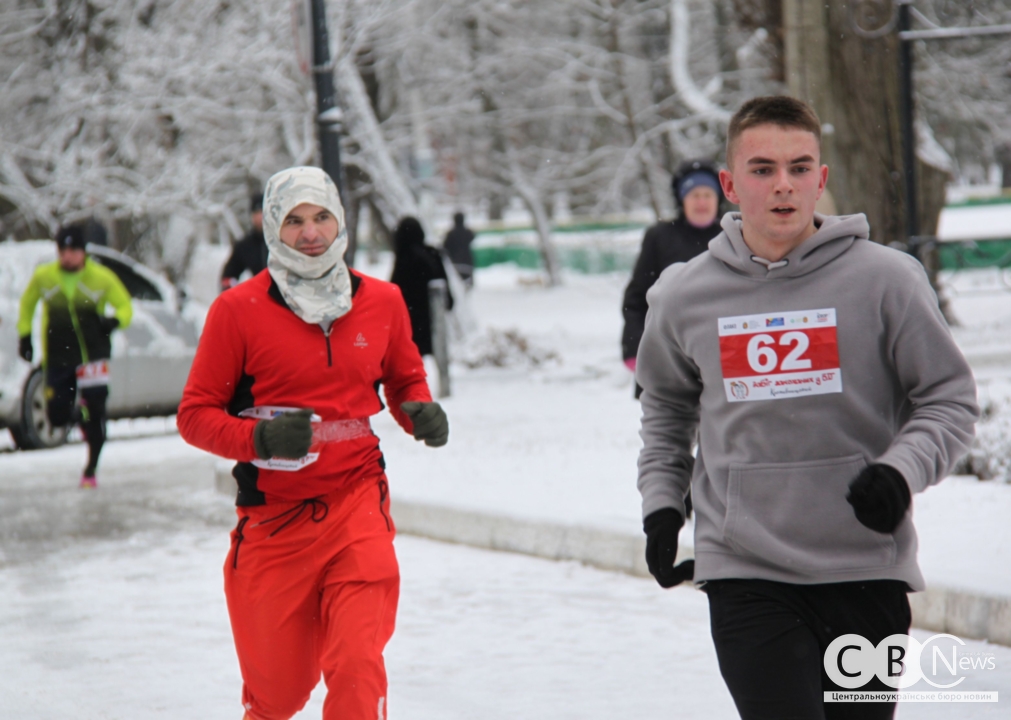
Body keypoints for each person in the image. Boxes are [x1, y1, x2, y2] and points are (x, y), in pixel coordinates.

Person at [635, 96, 978, 719]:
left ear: (821, 179)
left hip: (865, 569)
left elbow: (948, 400)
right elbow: (665, 408)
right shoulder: (684, 295)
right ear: (730, 184)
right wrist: (662, 506)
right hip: (746, 568)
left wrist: (900, 471)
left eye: (799, 167)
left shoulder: (887, 281)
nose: (783, 185)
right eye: (763, 169)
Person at [177, 166, 448, 720]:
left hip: (356, 503)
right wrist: (259, 438)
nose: (311, 233)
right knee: (277, 697)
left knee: (355, 663)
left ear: (340, 220)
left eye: (322, 216)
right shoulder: (236, 312)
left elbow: (402, 379)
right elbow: (194, 415)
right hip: (275, 523)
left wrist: (417, 411)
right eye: (295, 220)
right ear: (274, 227)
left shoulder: (384, 301)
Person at [17, 224, 133, 487]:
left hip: (92, 356)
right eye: (62, 250)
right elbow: (26, 304)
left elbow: (125, 306)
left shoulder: (100, 277)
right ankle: (78, 414)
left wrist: (115, 321)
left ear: (83, 251)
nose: (67, 255)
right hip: (59, 356)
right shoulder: (45, 277)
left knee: (98, 418)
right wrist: (25, 336)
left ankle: (90, 469)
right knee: (55, 415)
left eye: (73, 250)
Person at [621, 159, 723, 378]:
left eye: (708, 195)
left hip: (721, 354)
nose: (702, 202)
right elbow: (636, 298)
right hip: (665, 351)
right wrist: (634, 347)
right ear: (682, 199)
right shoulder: (660, 237)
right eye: (695, 195)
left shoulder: (731, 235)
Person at [390, 216, 453, 357]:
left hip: (411, 323)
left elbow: (393, 291)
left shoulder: (404, 258)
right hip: (433, 321)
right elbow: (446, 289)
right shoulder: (432, 253)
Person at [221, 193, 267, 291]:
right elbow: (229, 276)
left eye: (263, 212)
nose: (260, 217)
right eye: (256, 213)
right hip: (260, 299)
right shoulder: (245, 245)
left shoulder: (283, 240)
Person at [443, 211, 476, 287]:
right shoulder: (468, 233)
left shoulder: (450, 234)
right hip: (467, 263)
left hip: (455, 264)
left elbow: (445, 247)